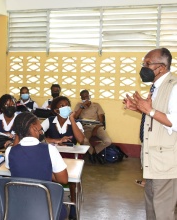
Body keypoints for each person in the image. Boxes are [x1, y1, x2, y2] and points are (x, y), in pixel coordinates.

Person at [123, 48, 177, 220]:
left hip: (166, 163)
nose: (143, 68)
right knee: (152, 210)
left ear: (161, 67)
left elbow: (175, 121)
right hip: (152, 161)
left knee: (164, 213)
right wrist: (142, 110)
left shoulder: (174, 87)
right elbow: (160, 118)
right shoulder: (156, 87)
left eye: (147, 64)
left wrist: (150, 110)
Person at [5, 112, 68, 220]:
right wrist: (48, 172)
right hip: (46, 208)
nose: (41, 130)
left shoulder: (9, 152)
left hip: (18, 207)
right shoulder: (50, 149)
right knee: (63, 209)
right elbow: (63, 179)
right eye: (40, 128)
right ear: (34, 128)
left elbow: (21, 169)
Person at [41, 96, 84, 220]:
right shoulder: (49, 120)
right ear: (55, 110)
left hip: (71, 156)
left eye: (67, 105)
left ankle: (73, 205)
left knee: (72, 179)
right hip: (53, 155)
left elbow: (81, 140)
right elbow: (38, 136)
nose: (66, 107)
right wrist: (56, 140)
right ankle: (51, 201)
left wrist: (72, 119)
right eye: (62, 106)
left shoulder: (76, 122)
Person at [73, 89, 112, 163]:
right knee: (84, 141)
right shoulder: (79, 105)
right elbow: (75, 117)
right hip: (85, 127)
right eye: (83, 97)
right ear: (81, 98)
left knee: (108, 141)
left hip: (97, 127)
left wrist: (96, 128)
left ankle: (94, 151)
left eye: (87, 96)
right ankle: (93, 153)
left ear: (89, 96)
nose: (85, 99)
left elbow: (101, 120)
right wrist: (82, 106)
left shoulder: (96, 105)